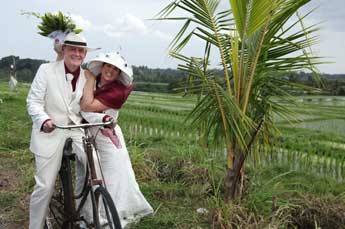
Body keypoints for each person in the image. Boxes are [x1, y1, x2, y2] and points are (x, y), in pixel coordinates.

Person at [26, 32, 96, 229]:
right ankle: (35, 226)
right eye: (72, 49)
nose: (77, 53)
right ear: (63, 50)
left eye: (81, 50)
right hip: (51, 131)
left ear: (85, 54)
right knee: (45, 186)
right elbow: (33, 102)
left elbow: (89, 106)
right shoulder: (46, 70)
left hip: (75, 130)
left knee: (96, 167)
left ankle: (90, 215)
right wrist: (44, 120)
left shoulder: (87, 76)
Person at [80, 52, 154, 227]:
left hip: (107, 138)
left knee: (113, 175)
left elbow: (86, 106)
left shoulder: (117, 92)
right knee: (90, 174)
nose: (110, 70)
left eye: (115, 69)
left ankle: (110, 212)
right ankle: (89, 212)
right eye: (108, 66)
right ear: (102, 66)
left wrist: (89, 80)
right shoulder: (96, 81)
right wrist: (90, 79)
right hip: (87, 135)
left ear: (119, 74)